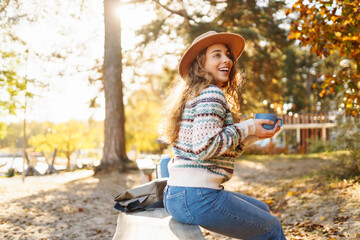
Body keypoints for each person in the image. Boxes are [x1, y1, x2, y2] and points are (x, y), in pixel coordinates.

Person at [159, 30, 286, 240]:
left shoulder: (193, 95)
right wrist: (249, 126)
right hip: (197, 196)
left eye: (227, 54)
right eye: (216, 55)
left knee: (262, 210)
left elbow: (216, 149)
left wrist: (254, 133)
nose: (227, 59)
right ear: (201, 64)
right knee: (271, 228)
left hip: (175, 194)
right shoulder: (212, 93)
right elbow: (205, 148)